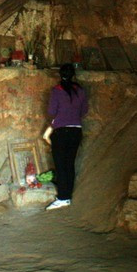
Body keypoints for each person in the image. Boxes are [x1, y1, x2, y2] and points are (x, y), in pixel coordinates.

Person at [45, 63, 87, 210]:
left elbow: (51, 111)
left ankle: (63, 197)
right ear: (73, 75)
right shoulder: (80, 90)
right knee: (69, 165)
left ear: (60, 75)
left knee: (61, 165)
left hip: (61, 131)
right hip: (76, 131)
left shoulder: (57, 91)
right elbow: (84, 111)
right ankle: (67, 195)